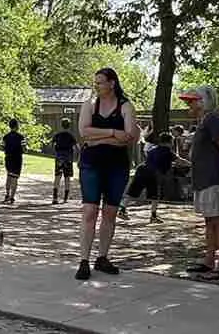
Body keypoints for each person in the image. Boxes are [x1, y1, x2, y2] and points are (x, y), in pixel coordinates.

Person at [75, 68, 138, 281]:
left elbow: (129, 137)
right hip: (91, 163)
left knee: (110, 213)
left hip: (117, 165)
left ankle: (102, 257)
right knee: (90, 210)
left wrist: (97, 138)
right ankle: (84, 260)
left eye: (100, 82)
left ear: (112, 83)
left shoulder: (126, 106)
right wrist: (112, 133)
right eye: (96, 83)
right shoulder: (89, 105)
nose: (97, 86)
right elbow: (84, 132)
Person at [179, 85, 219, 281]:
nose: (188, 105)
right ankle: (209, 260)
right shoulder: (203, 121)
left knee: (218, 219)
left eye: (191, 101)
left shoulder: (213, 120)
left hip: (214, 179)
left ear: (202, 102)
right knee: (209, 220)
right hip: (202, 180)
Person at [118, 132, 189, 222]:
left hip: (142, 169)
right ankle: (153, 216)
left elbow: (156, 160)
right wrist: (191, 164)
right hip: (153, 173)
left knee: (133, 191)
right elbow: (180, 161)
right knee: (154, 195)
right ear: (169, 142)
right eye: (171, 142)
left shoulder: (153, 149)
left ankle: (122, 210)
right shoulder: (168, 151)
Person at [51, 118, 79, 205]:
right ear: (69, 126)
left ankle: (55, 198)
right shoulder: (71, 136)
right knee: (67, 178)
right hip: (68, 159)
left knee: (57, 177)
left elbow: (52, 144)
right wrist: (76, 155)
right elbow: (77, 147)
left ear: (61, 125)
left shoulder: (57, 135)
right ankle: (65, 198)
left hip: (59, 158)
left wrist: (56, 151)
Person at [2, 119, 26, 204]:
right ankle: (12, 196)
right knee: (15, 177)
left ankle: (7, 194)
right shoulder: (21, 137)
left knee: (9, 176)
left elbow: (3, 148)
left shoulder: (5, 137)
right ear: (17, 126)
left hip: (8, 158)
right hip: (17, 159)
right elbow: (24, 149)